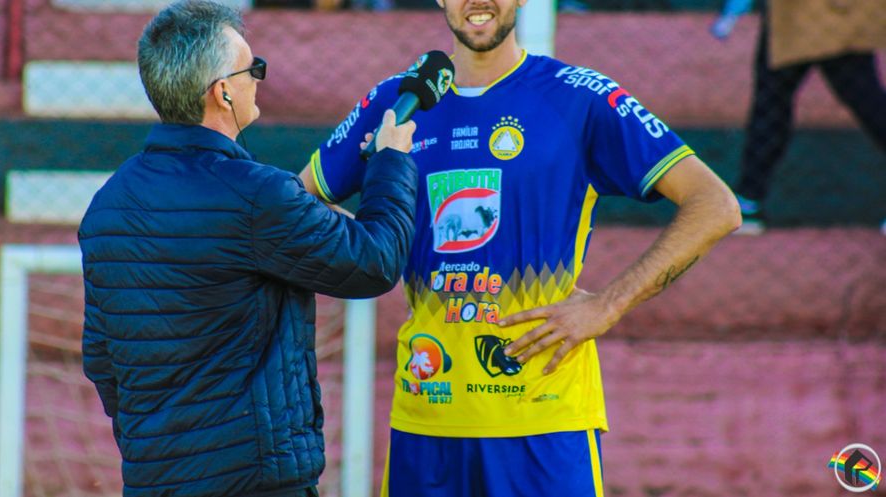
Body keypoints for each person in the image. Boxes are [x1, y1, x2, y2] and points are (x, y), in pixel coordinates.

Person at [299, 0, 741, 495]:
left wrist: (608, 305)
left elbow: (715, 205)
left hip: (544, 421)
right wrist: (366, 244)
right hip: (427, 416)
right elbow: (295, 202)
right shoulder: (397, 101)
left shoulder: (580, 96)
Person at [78, 1, 419, 496]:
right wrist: (391, 160)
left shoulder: (107, 204)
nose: (258, 79)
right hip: (255, 480)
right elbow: (375, 262)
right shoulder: (258, 195)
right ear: (223, 92)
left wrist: (164, 445)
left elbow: (100, 359)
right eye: (253, 68)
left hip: (155, 478)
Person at [713, 0, 886, 233]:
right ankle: (748, 200)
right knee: (772, 104)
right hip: (810, 16)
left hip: (819, 15)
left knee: (773, 104)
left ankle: (748, 200)